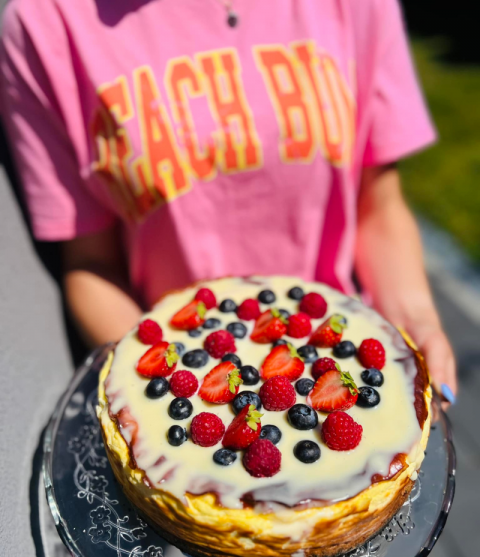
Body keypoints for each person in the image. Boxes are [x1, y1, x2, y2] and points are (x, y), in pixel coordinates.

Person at [0, 0, 456, 405]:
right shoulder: (46, 22)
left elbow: (378, 205)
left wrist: (416, 320)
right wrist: (151, 393)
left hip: (335, 359)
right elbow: (91, 263)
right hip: (186, 374)